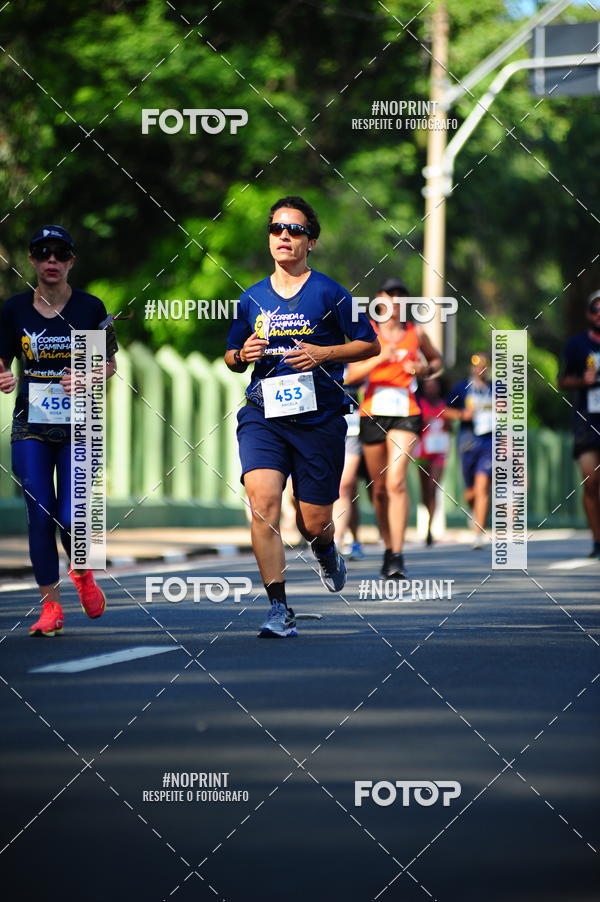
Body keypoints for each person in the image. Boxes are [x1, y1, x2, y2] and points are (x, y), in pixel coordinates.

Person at [225, 196, 379, 638]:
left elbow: (370, 345)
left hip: (319, 418)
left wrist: (324, 353)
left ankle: (326, 548)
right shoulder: (251, 297)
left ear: (311, 241)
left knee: (314, 521)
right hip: (264, 414)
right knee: (263, 505)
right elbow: (232, 355)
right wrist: (241, 354)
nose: (284, 237)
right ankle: (278, 607)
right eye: (277, 229)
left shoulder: (331, 293)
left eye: (294, 230)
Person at [0, 225, 118, 635]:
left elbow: (109, 365)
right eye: (42, 253)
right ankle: (50, 607)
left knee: (72, 516)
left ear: (71, 261)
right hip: (30, 427)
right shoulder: (15, 310)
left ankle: (83, 572)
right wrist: (3, 375)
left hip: (78, 428)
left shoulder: (88, 308)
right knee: (39, 514)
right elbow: (2, 359)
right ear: (32, 260)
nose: (51, 260)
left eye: (60, 253)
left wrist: (86, 376)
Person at [346, 280, 442, 579]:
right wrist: (379, 358)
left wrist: (424, 369)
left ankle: (398, 555)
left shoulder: (416, 333)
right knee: (379, 489)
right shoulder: (368, 333)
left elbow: (437, 361)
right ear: (379, 300)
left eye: (401, 297)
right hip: (373, 411)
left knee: (397, 481)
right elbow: (350, 376)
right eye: (390, 297)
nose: (396, 302)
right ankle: (388, 547)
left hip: (406, 412)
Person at [558, 292, 600, 558]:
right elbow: (562, 381)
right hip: (587, 421)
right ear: (588, 314)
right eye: (596, 309)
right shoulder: (576, 345)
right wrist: (581, 381)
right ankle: (597, 540)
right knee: (591, 482)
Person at [445, 352, 493, 549]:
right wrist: (461, 414)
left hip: (489, 441)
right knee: (471, 492)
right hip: (467, 441)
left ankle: (478, 532)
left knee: (482, 486)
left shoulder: (496, 389)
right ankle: (475, 513)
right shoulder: (462, 388)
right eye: (475, 365)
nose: (479, 369)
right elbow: (444, 410)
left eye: (483, 365)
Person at [332, 372, 366, 560]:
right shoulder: (315, 349)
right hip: (324, 427)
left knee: (345, 486)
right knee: (344, 490)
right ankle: (351, 539)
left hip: (353, 430)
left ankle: (336, 543)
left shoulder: (359, 354)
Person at [414, 377, 449, 545]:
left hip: (439, 452)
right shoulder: (419, 403)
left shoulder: (444, 404)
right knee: (425, 491)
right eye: (427, 387)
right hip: (423, 451)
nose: (430, 390)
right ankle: (427, 518)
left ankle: (429, 528)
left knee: (433, 486)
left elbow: (450, 425)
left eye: (433, 386)